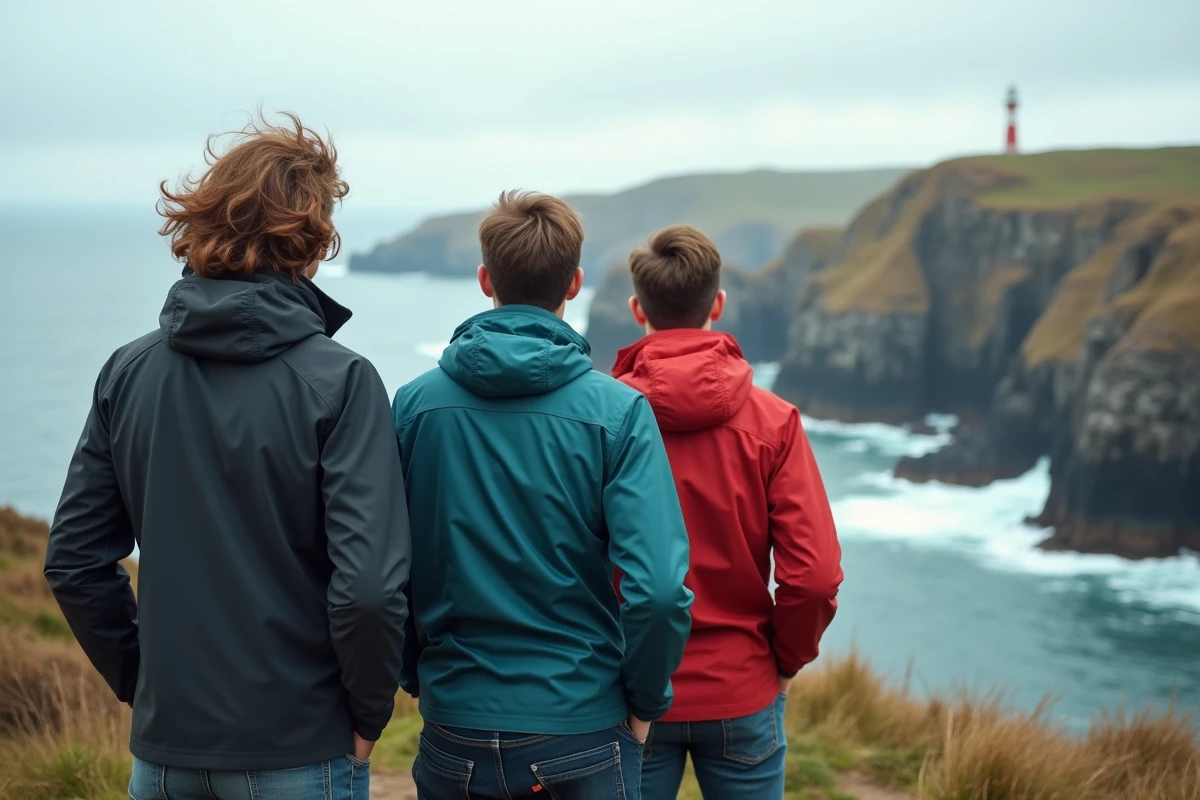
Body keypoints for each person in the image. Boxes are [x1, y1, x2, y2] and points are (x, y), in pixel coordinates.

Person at [44, 114, 410, 800]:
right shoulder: (342, 382)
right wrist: (368, 712)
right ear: (313, 234)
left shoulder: (127, 372)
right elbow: (368, 589)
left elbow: (73, 560)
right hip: (301, 747)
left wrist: (145, 684)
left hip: (164, 755)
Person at [393, 190, 694, 800]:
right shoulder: (620, 411)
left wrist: (418, 675)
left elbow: (384, 567)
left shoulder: (415, 406)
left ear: (485, 280)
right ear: (575, 282)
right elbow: (659, 591)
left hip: (456, 720)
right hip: (583, 725)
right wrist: (644, 702)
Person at [613, 226, 843, 799]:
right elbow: (812, 578)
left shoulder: (602, 418)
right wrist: (784, 662)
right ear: (717, 304)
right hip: (743, 686)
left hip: (629, 686)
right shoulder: (775, 421)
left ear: (638, 309)